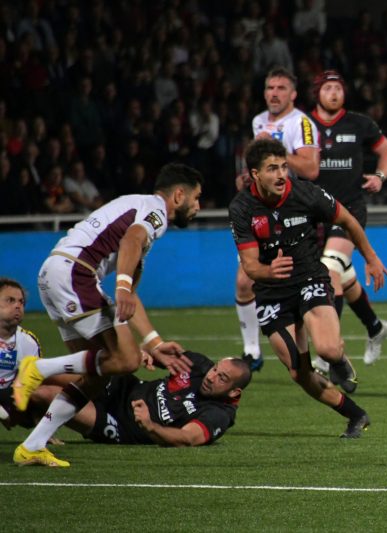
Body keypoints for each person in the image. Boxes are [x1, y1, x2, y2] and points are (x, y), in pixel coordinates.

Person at [12, 163, 203, 467]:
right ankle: (36, 368)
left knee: (98, 377)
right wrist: (123, 286)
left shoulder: (139, 209)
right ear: (179, 195)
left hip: (58, 271)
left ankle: (32, 445)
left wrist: (153, 343)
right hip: (77, 272)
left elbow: (131, 294)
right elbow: (131, 241)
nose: (198, 206)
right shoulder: (155, 212)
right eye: (196, 198)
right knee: (125, 360)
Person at [229, 138, 387, 438]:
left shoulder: (305, 193)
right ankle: (356, 415)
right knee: (298, 372)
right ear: (254, 174)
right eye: (272, 168)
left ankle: (338, 359)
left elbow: (348, 220)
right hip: (271, 292)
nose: (280, 175)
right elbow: (249, 265)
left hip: (309, 279)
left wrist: (371, 258)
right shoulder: (242, 207)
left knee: (327, 349)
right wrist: (268, 271)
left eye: (284, 167)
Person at [13, 352, 250, 466]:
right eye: (216, 369)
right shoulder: (198, 365)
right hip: (124, 386)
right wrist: (148, 355)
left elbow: (187, 438)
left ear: (234, 392)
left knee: (44, 395)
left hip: (121, 426)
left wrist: (149, 425)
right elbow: (160, 356)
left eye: (222, 378)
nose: (212, 376)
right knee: (46, 377)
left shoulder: (219, 414)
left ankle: (21, 412)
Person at [234, 66, 320, 372]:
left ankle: (314, 355)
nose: (274, 93)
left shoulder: (302, 123)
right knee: (245, 281)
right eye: (270, 87)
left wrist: (276, 147)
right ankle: (252, 350)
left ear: (293, 94)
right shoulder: (259, 121)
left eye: (281, 88)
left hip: (292, 212)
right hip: (260, 209)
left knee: (297, 284)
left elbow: (310, 169)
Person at [309, 70, 387, 366]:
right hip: (313, 211)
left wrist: (380, 176)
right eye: (328, 88)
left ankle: (329, 350)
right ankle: (375, 327)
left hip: (349, 210)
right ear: (317, 93)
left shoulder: (359, 123)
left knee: (329, 270)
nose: (334, 93)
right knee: (343, 276)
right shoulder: (303, 124)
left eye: (338, 88)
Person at [0, 278, 42, 427]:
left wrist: (42, 431)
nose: (18, 306)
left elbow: (32, 384)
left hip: (9, 395)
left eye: (21, 302)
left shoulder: (29, 341)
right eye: (10, 300)